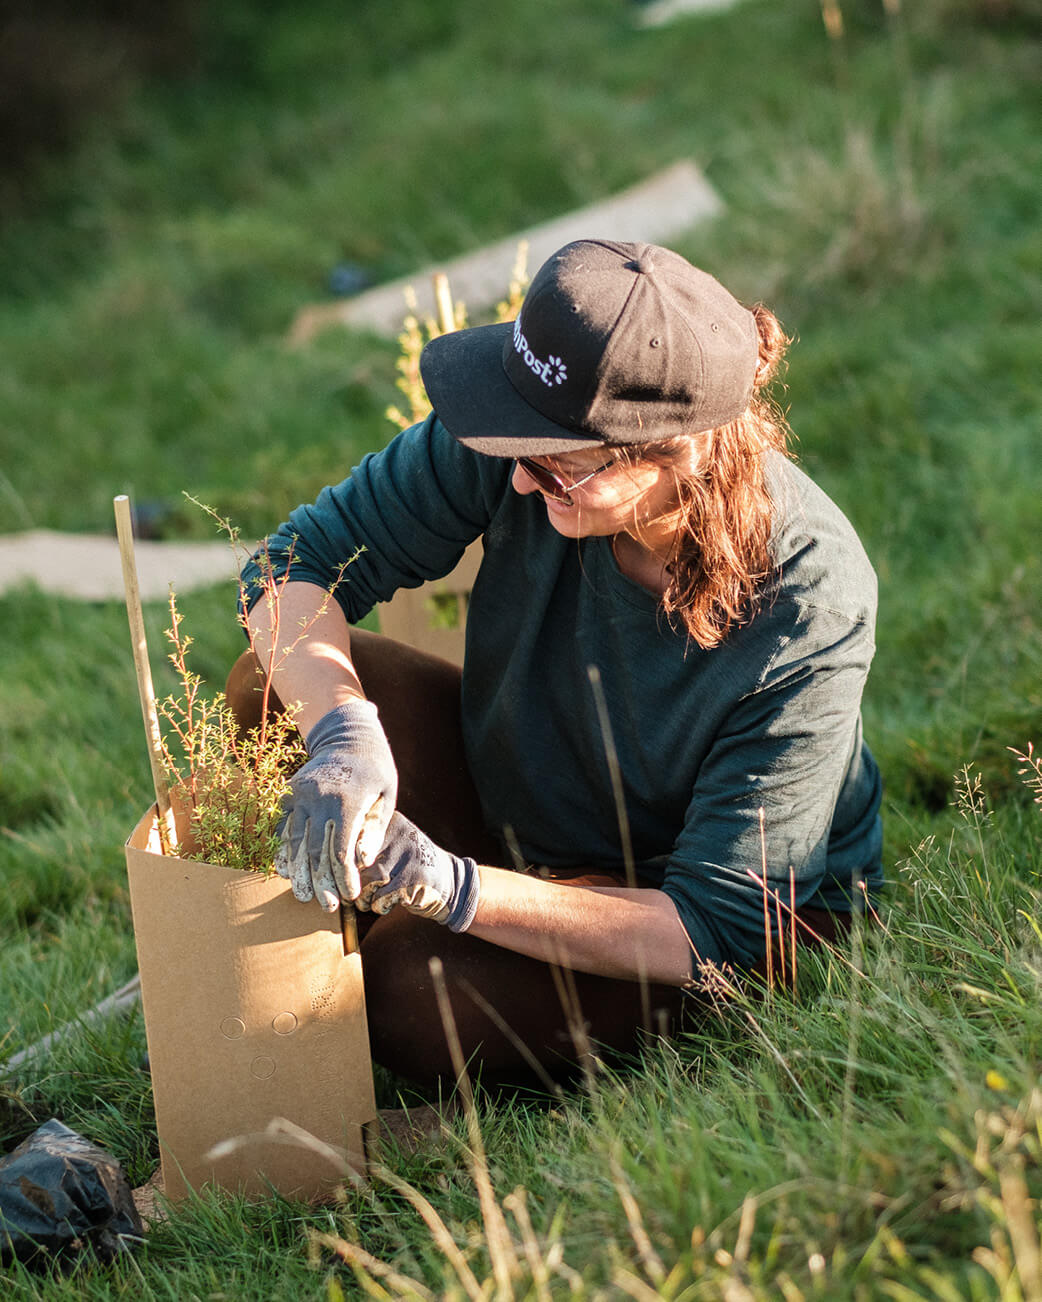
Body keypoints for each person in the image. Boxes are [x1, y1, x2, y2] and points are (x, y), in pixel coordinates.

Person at [228, 238, 883, 1092]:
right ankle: (427, 891)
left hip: (698, 918)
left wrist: (453, 889)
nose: (524, 484)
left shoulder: (809, 604)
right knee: (271, 692)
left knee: (406, 992)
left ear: (671, 453)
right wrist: (345, 728)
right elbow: (294, 563)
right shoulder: (525, 433)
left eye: (556, 467)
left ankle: (443, 921)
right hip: (538, 802)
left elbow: (713, 925)